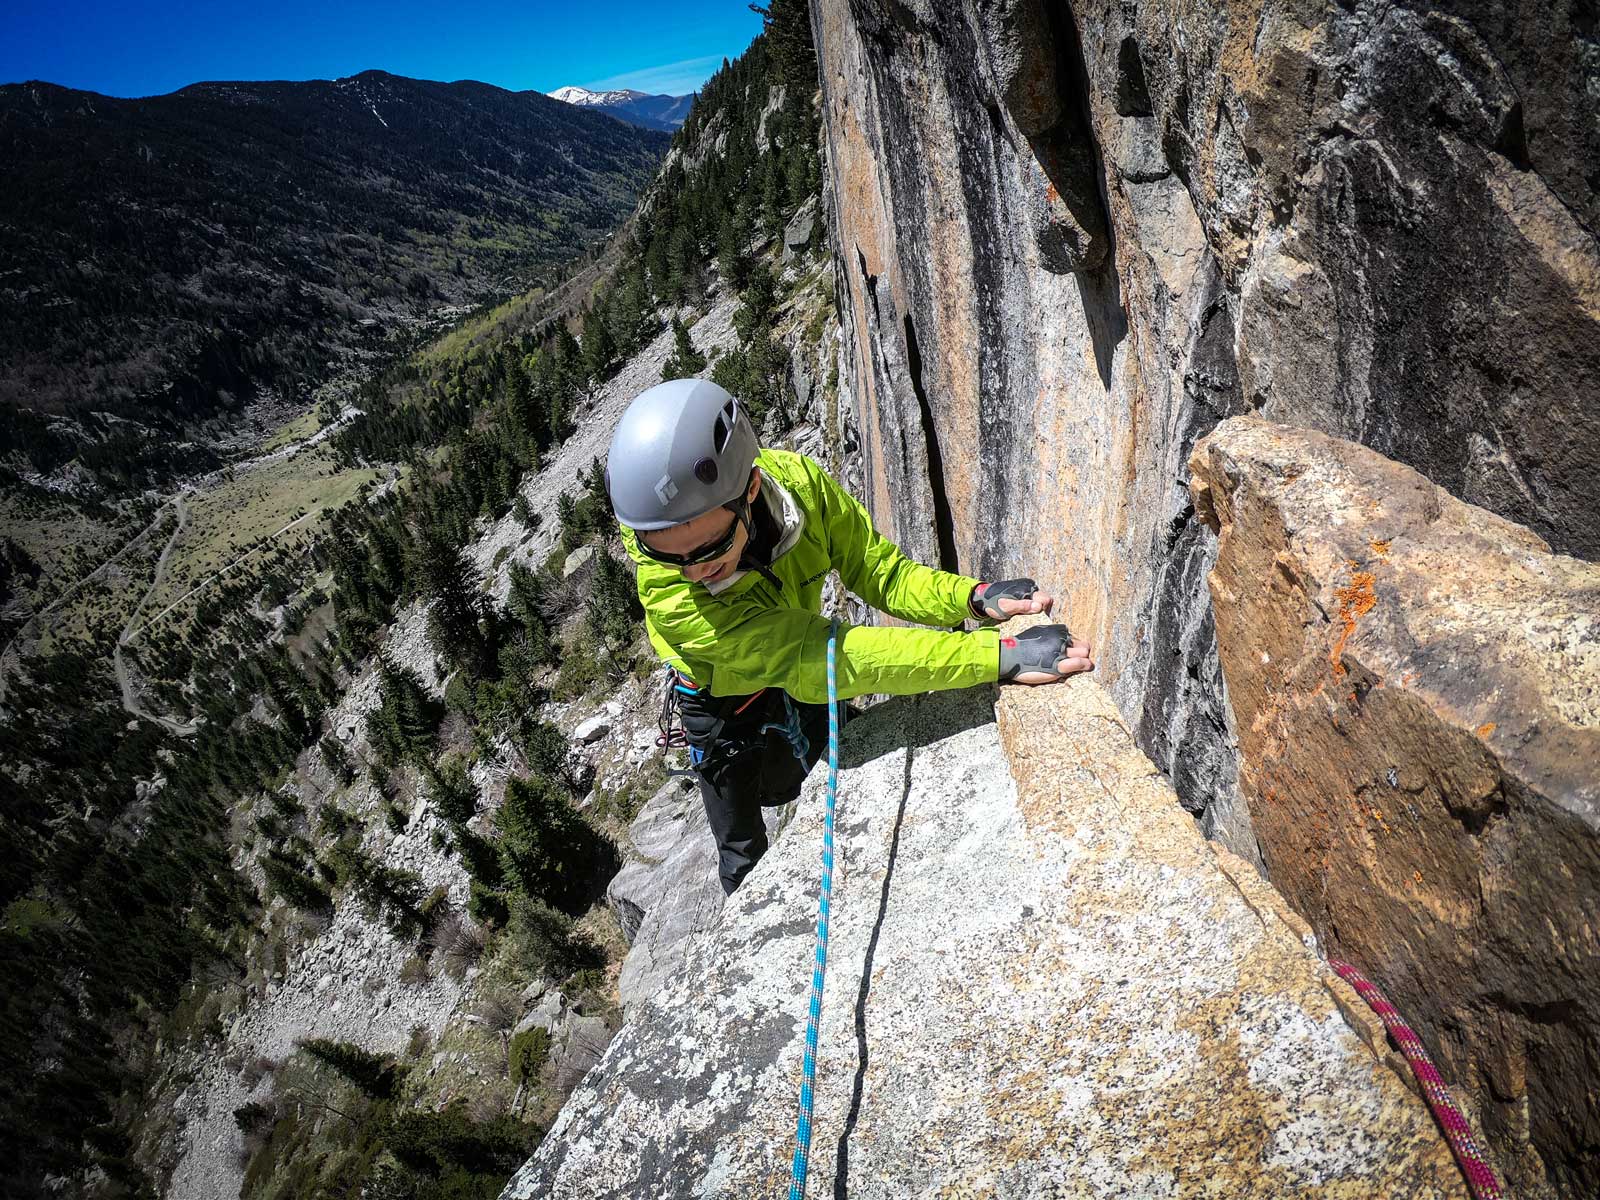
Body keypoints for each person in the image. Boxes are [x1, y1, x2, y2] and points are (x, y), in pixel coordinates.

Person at [606, 378, 1093, 894]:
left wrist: (969, 598)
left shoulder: (801, 488)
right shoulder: (674, 599)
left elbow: (880, 573)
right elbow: (830, 657)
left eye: (707, 548)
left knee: (848, 763)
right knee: (741, 851)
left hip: (798, 666)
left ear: (750, 490)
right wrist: (995, 655)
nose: (691, 572)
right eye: (663, 552)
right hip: (718, 703)